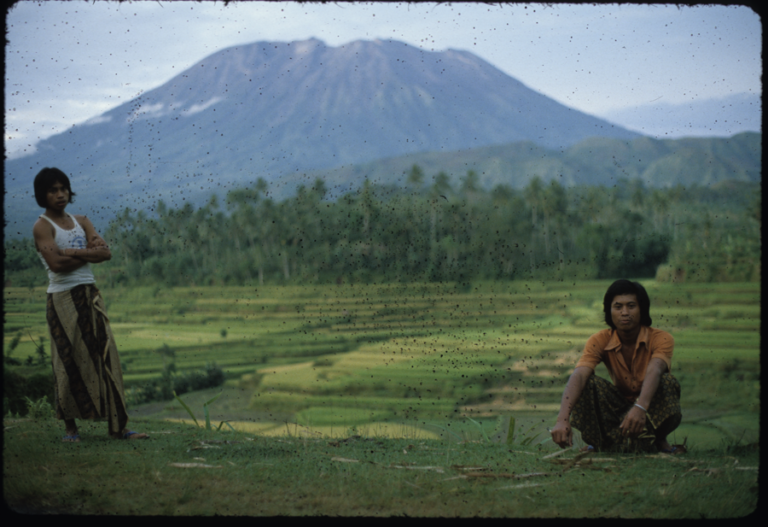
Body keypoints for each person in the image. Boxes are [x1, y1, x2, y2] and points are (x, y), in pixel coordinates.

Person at [32, 167, 148, 442]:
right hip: (62, 299)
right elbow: (57, 265)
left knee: (106, 355)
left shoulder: (81, 221)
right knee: (66, 359)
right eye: (53, 190)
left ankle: (119, 428)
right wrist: (89, 254)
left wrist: (72, 251)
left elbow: (105, 253)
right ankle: (71, 430)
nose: (60, 195)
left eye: (63, 189)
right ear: (43, 195)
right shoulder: (43, 226)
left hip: (90, 296)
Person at [550, 279, 683, 453]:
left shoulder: (662, 338)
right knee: (589, 384)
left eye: (631, 306)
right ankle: (601, 443)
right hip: (618, 408)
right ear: (609, 311)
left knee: (667, 382)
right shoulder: (599, 340)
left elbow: (655, 369)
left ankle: (657, 440)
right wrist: (562, 418)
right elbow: (580, 374)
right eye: (618, 307)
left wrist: (640, 407)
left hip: (650, 406)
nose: (625, 312)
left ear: (642, 309)